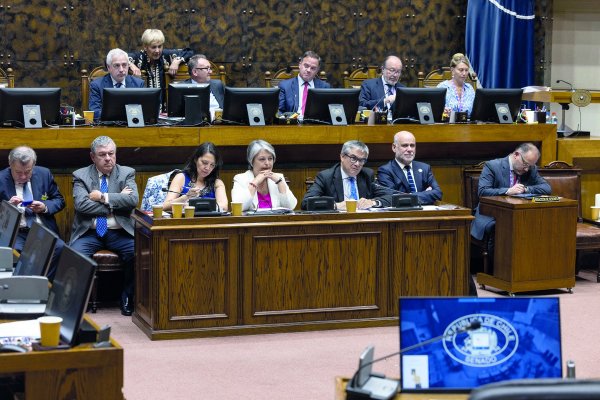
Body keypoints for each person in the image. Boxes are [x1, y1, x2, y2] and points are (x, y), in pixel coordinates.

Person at [70, 136, 139, 316]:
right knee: (75, 255)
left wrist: (103, 197)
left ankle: (127, 296)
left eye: (111, 153)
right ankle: (76, 300)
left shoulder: (126, 173)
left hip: (119, 232)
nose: (108, 158)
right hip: (89, 232)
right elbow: (81, 206)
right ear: (93, 157)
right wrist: (117, 199)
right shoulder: (80, 175)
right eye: (102, 154)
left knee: (137, 252)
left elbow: (132, 200)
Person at [0, 146, 65, 280]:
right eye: (18, 172)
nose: (23, 176)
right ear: (10, 165)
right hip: (16, 232)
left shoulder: (44, 174)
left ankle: (43, 286)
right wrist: (7, 208)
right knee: (14, 253)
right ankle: (20, 291)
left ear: (33, 165)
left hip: (41, 229)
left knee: (59, 248)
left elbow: (59, 200)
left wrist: (44, 207)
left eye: (28, 172)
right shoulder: (1, 179)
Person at [471, 142, 551, 245]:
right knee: (504, 228)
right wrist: (508, 191)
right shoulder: (492, 166)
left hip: (520, 214)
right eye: (525, 164)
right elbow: (483, 192)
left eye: (530, 166)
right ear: (516, 155)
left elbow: (546, 188)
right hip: (492, 214)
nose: (526, 169)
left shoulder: (531, 169)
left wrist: (525, 189)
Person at [301, 140, 394, 211]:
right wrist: (336, 205)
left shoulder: (367, 175)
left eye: (362, 160)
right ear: (342, 157)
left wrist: (373, 202)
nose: (357, 164)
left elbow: (392, 196)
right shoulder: (326, 177)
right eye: (353, 158)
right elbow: (306, 203)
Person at [128, 29, 194, 112]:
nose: (157, 51)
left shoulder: (165, 55)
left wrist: (177, 60)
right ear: (145, 47)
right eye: (153, 47)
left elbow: (189, 52)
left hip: (165, 110)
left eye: (160, 46)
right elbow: (116, 57)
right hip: (142, 109)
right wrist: (130, 64)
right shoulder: (138, 57)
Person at [377, 131, 442, 205]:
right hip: (402, 214)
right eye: (405, 145)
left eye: (412, 145)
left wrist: (408, 196)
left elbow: (438, 193)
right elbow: (392, 198)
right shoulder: (385, 171)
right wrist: (425, 194)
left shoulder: (425, 168)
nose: (410, 149)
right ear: (394, 147)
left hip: (425, 213)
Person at [232, 140, 297, 211]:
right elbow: (239, 208)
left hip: (275, 221)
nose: (267, 163)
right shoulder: (241, 179)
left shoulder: (278, 178)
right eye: (262, 159)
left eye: (270, 159)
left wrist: (280, 182)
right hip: (252, 222)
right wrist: (255, 182)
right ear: (251, 161)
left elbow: (291, 206)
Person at [163, 142, 228, 212]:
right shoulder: (181, 177)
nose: (207, 168)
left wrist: (194, 206)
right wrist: (186, 197)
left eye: (212, 165)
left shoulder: (217, 183)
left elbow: (224, 208)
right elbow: (165, 206)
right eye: (205, 162)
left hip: (209, 221)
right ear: (195, 159)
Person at [89, 48, 146, 120]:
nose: (121, 70)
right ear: (109, 67)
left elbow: (144, 111)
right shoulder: (96, 85)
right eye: (117, 65)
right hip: (106, 128)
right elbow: (95, 112)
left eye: (124, 65)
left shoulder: (138, 84)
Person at [278, 51, 331, 115]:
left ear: (317, 70)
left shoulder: (324, 87)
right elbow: (279, 111)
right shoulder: (285, 86)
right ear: (300, 65)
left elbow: (328, 112)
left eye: (313, 68)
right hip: (293, 123)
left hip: (315, 124)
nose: (308, 70)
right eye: (306, 66)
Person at [179, 54, 225, 119]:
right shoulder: (181, 88)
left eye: (210, 68)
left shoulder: (218, 85)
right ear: (195, 72)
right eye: (207, 68)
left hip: (219, 124)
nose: (211, 72)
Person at [437, 53, 476, 117]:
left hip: (468, 125)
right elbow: (435, 111)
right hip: (447, 125)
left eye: (466, 70)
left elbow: (475, 111)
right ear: (452, 70)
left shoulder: (470, 88)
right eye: (461, 70)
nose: (464, 73)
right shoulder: (442, 87)